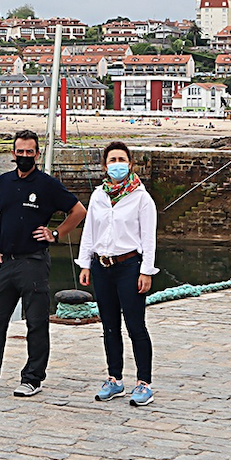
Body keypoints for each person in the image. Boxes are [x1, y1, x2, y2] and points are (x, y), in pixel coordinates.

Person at [0, 130, 86, 397]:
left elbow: (79, 210)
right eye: (20, 151)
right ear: (13, 153)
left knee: (36, 323)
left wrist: (56, 233)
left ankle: (32, 378)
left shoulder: (47, 184)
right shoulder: (3, 182)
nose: (25, 156)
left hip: (34, 262)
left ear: (37, 154)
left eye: (30, 152)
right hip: (5, 264)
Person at [76, 141, 157, 407]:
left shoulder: (141, 198)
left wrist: (146, 271)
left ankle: (144, 382)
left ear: (130, 164)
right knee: (110, 327)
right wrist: (85, 264)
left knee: (135, 326)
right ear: (105, 165)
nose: (117, 164)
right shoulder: (99, 195)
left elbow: (149, 238)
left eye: (122, 159)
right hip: (102, 266)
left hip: (129, 266)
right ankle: (115, 379)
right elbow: (90, 231)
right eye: (112, 160)